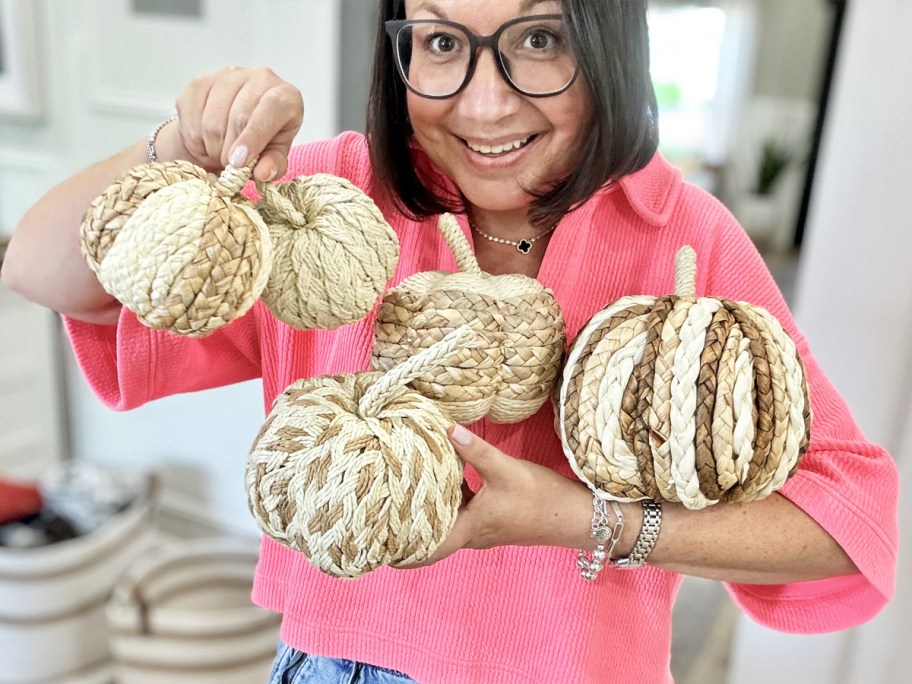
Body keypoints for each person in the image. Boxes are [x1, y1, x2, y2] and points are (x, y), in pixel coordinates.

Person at [1, 1, 899, 682]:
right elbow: (40, 267)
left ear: (608, 41)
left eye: (538, 40)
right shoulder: (329, 202)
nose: (484, 102)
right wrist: (183, 149)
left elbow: (848, 521)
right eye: (439, 42)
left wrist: (578, 518)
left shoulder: (679, 239)